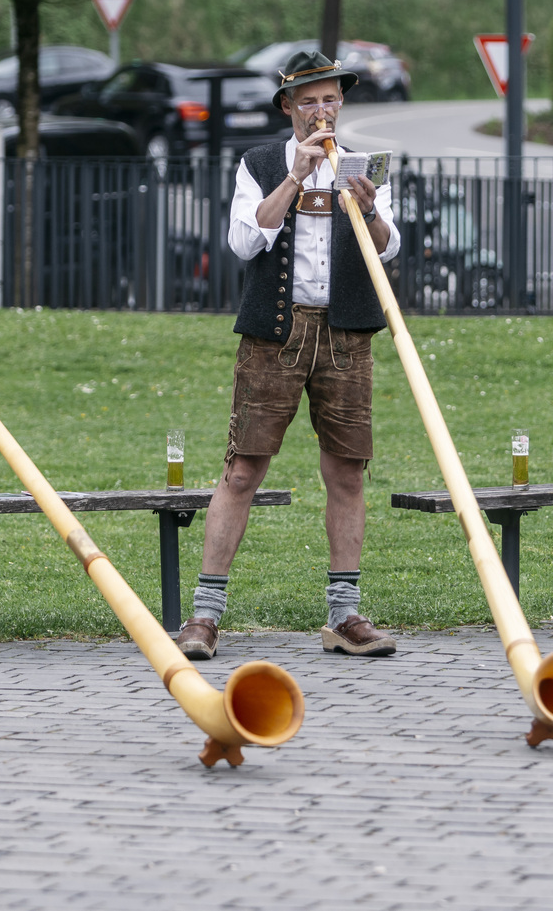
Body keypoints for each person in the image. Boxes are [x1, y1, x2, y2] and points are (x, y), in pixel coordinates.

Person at [174, 50, 401, 661]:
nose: (321, 111)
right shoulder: (260, 163)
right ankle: (205, 615)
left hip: (347, 332)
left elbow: (387, 249)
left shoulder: (366, 163)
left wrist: (370, 204)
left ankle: (344, 615)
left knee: (347, 470)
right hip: (276, 333)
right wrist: (295, 177)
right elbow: (245, 241)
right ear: (288, 108)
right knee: (243, 469)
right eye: (309, 102)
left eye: (330, 100)